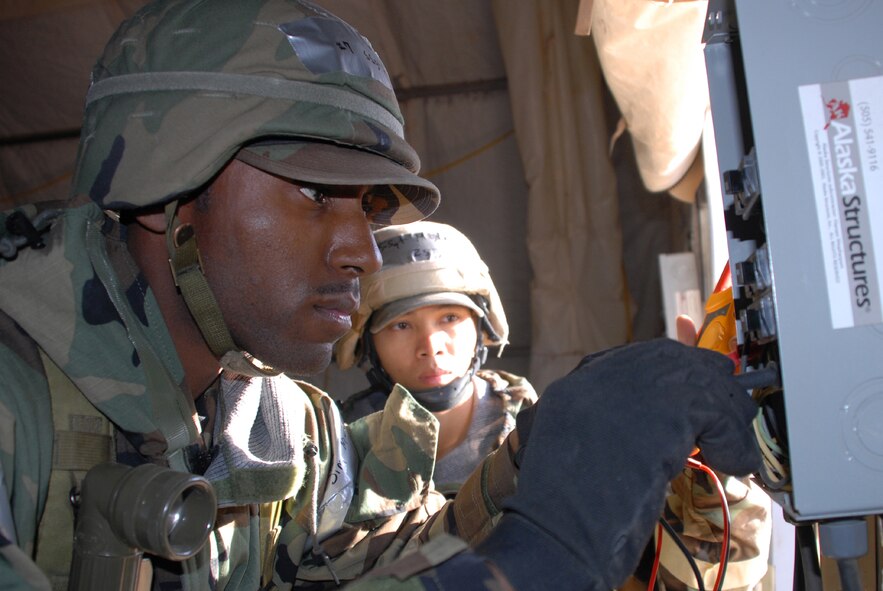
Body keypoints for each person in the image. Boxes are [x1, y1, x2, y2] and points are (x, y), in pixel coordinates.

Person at [0, 1, 763, 590]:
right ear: (164, 190)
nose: (362, 249)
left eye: (367, 205)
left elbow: (369, 557)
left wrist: (537, 451)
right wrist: (534, 560)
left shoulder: (281, 421)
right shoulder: (17, 399)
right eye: (313, 191)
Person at [334, 221, 537, 496]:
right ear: (368, 344)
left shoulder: (533, 429)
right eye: (401, 325)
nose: (430, 347)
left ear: (481, 327)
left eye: (450, 318)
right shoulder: (339, 447)